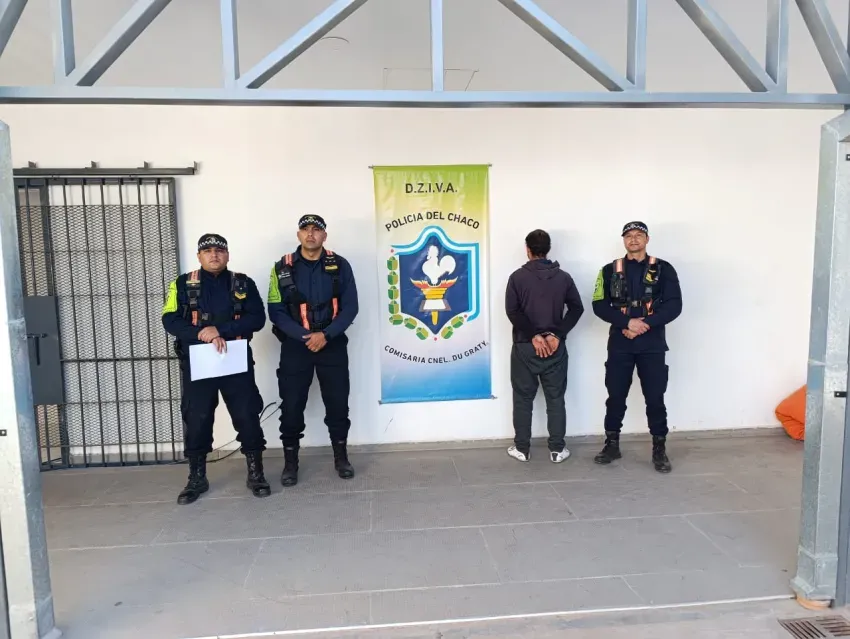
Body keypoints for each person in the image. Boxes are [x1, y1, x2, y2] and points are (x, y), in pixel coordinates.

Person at [161, 233, 271, 504]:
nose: (214, 255)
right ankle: (197, 477)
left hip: (235, 360)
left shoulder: (243, 283)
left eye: (219, 250)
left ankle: (256, 473)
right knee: (197, 417)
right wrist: (202, 334)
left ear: (227, 255)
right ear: (199, 256)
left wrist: (220, 330)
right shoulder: (182, 284)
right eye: (207, 250)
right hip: (199, 361)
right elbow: (169, 319)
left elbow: (257, 318)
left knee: (247, 414)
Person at [267, 214, 359, 486]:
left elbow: (351, 307)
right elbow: (275, 311)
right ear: (298, 235)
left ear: (324, 236)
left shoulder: (340, 265)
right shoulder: (281, 268)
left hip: (332, 345)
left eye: (316, 230)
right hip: (296, 346)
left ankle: (341, 458)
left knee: (338, 403)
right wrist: (305, 336)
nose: (310, 234)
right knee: (292, 405)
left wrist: (326, 335)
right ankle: (290, 464)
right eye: (305, 229)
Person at [591, 221, 682, 473]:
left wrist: (644, 324)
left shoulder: (664, 269)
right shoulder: (608, 270)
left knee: (655, 398)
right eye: (628, 235)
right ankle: (611, 444)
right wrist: (626, 322)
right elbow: (599, 304)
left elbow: (674, 305)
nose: (633, 239)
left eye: (638, 235)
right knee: (615, 397)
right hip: (620, 344)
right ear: (623, 240)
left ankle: (659, 449)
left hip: (652, 345)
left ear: (647, 239)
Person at [504, 229, 584, 463]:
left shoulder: (517, 277)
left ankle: (522, 449)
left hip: (524, 347)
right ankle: (557, 450)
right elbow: (577, 308)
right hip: (555, 348)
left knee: (522, 399)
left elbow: (512, 312)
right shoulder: (564, 278)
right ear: (548, 249)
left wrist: (534, 336)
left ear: (527, 249)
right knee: (555, 399)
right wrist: (556, 335)